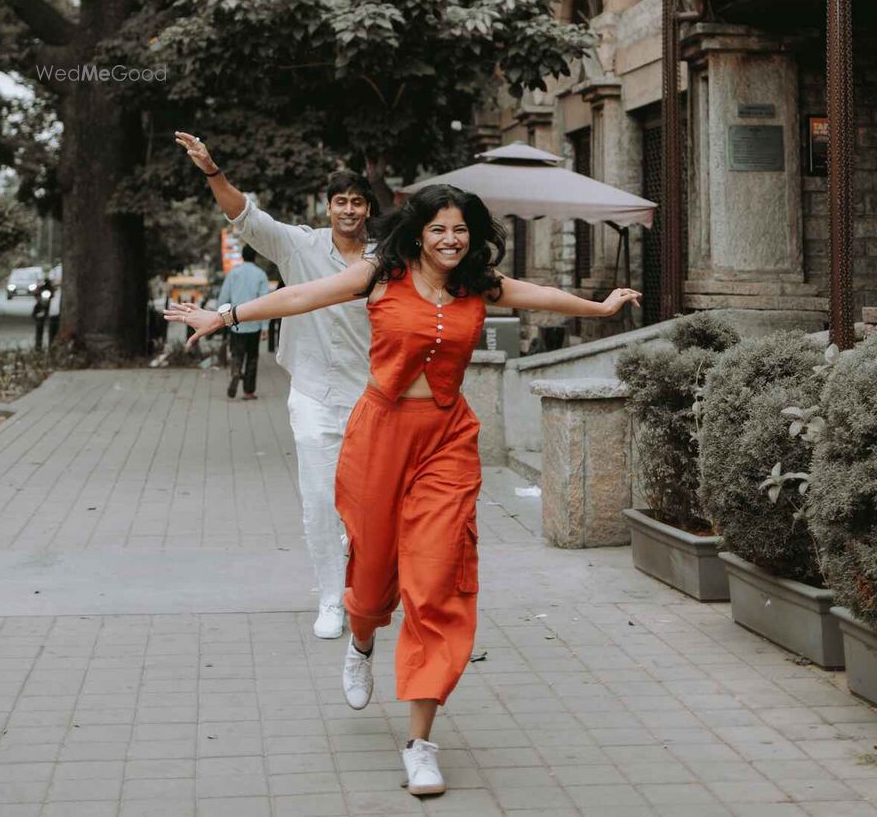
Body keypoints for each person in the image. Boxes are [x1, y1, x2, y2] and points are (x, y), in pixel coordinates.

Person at [170, 183, 640, 799]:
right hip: (380, 439)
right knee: (369, 584)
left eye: (462, 230)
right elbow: (303, 295)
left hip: (446, 443)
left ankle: (421, 744)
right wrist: (224, 316)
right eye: (440, 229)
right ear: (419, 232)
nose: (452, 239)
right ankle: (361, 640)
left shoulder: (478, 283)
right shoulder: (379, 274)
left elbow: (539, 294)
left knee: (435, 581)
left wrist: (600, 308)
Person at [174, 131, 375, 640]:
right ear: (328, 207)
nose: (348, 210)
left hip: (373, 396)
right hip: (312, 393)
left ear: (368, 209)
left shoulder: (384, 261)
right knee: (319, 497)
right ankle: (331, 598)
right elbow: (244, 217)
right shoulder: (298, 245)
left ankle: (363, 583)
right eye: (340, 201)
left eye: (357, 201)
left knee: (367, 502)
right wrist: (211, 170)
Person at [214, 246, 270, 399]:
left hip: (235, 322)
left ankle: (236, 371)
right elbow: (265, 302)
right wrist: (265, 327)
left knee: (236, 353)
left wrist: (223, 320)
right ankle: (248, 391)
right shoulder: (261, 275)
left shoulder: (233, 273)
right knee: (252, 357)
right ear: (255, 257)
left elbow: (223, 298)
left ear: (242, 256)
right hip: (254, 323)